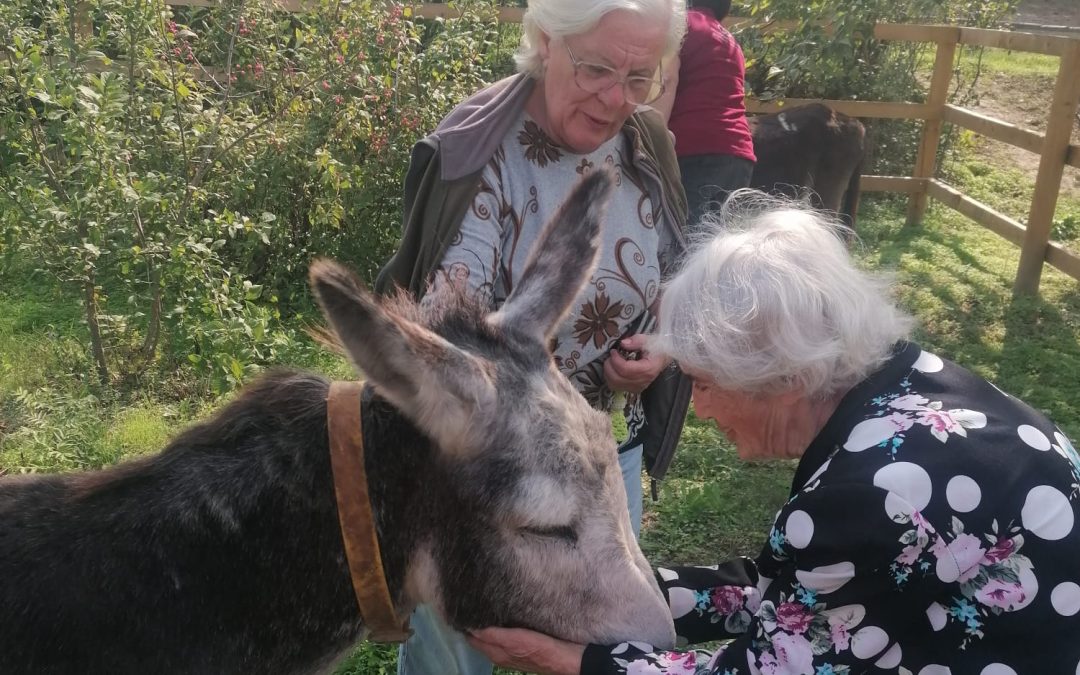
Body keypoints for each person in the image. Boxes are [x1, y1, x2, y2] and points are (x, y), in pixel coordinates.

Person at [466, 192, 1080, 674]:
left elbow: (766, 668)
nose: (699, 410)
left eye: (702, 384)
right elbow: (791, 599)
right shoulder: (918, 388)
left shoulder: (872, 493)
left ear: (781, 378)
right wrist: (624, 585)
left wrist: (571, 661)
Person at [373, 1, 692, 673]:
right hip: (486, 476)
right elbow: (447, 333)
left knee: (611, 638)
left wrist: (661, 342)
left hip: (605, 446)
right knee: (457, 657)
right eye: (599, 67)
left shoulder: (646, 142)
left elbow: (667, 269)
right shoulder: (481, 151)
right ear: (546, 40)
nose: (617, 98)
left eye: (641, 76)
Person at [654, 0, 755, 230]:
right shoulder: (731, 42)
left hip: (696, 150)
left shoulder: (683, 27)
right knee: (717, 240)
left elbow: (667, 79)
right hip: (739, 154)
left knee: (683, 238)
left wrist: (654, 140)